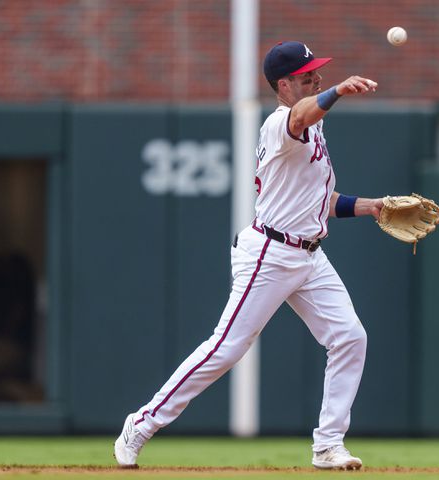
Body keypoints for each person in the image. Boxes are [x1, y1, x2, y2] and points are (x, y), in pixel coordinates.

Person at [114, 40, 383, 471]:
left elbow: (316, 199)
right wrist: (337, 93)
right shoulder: (281, 123)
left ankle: (328, 444)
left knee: (350, 337)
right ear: (284, 84)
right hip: (271, 254)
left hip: (310, 256)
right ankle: (141, 423)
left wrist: (372, 206)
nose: (316, 77)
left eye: (318, 72)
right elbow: (302, 114)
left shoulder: (312, 129)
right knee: (225, 349)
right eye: (306, 75)